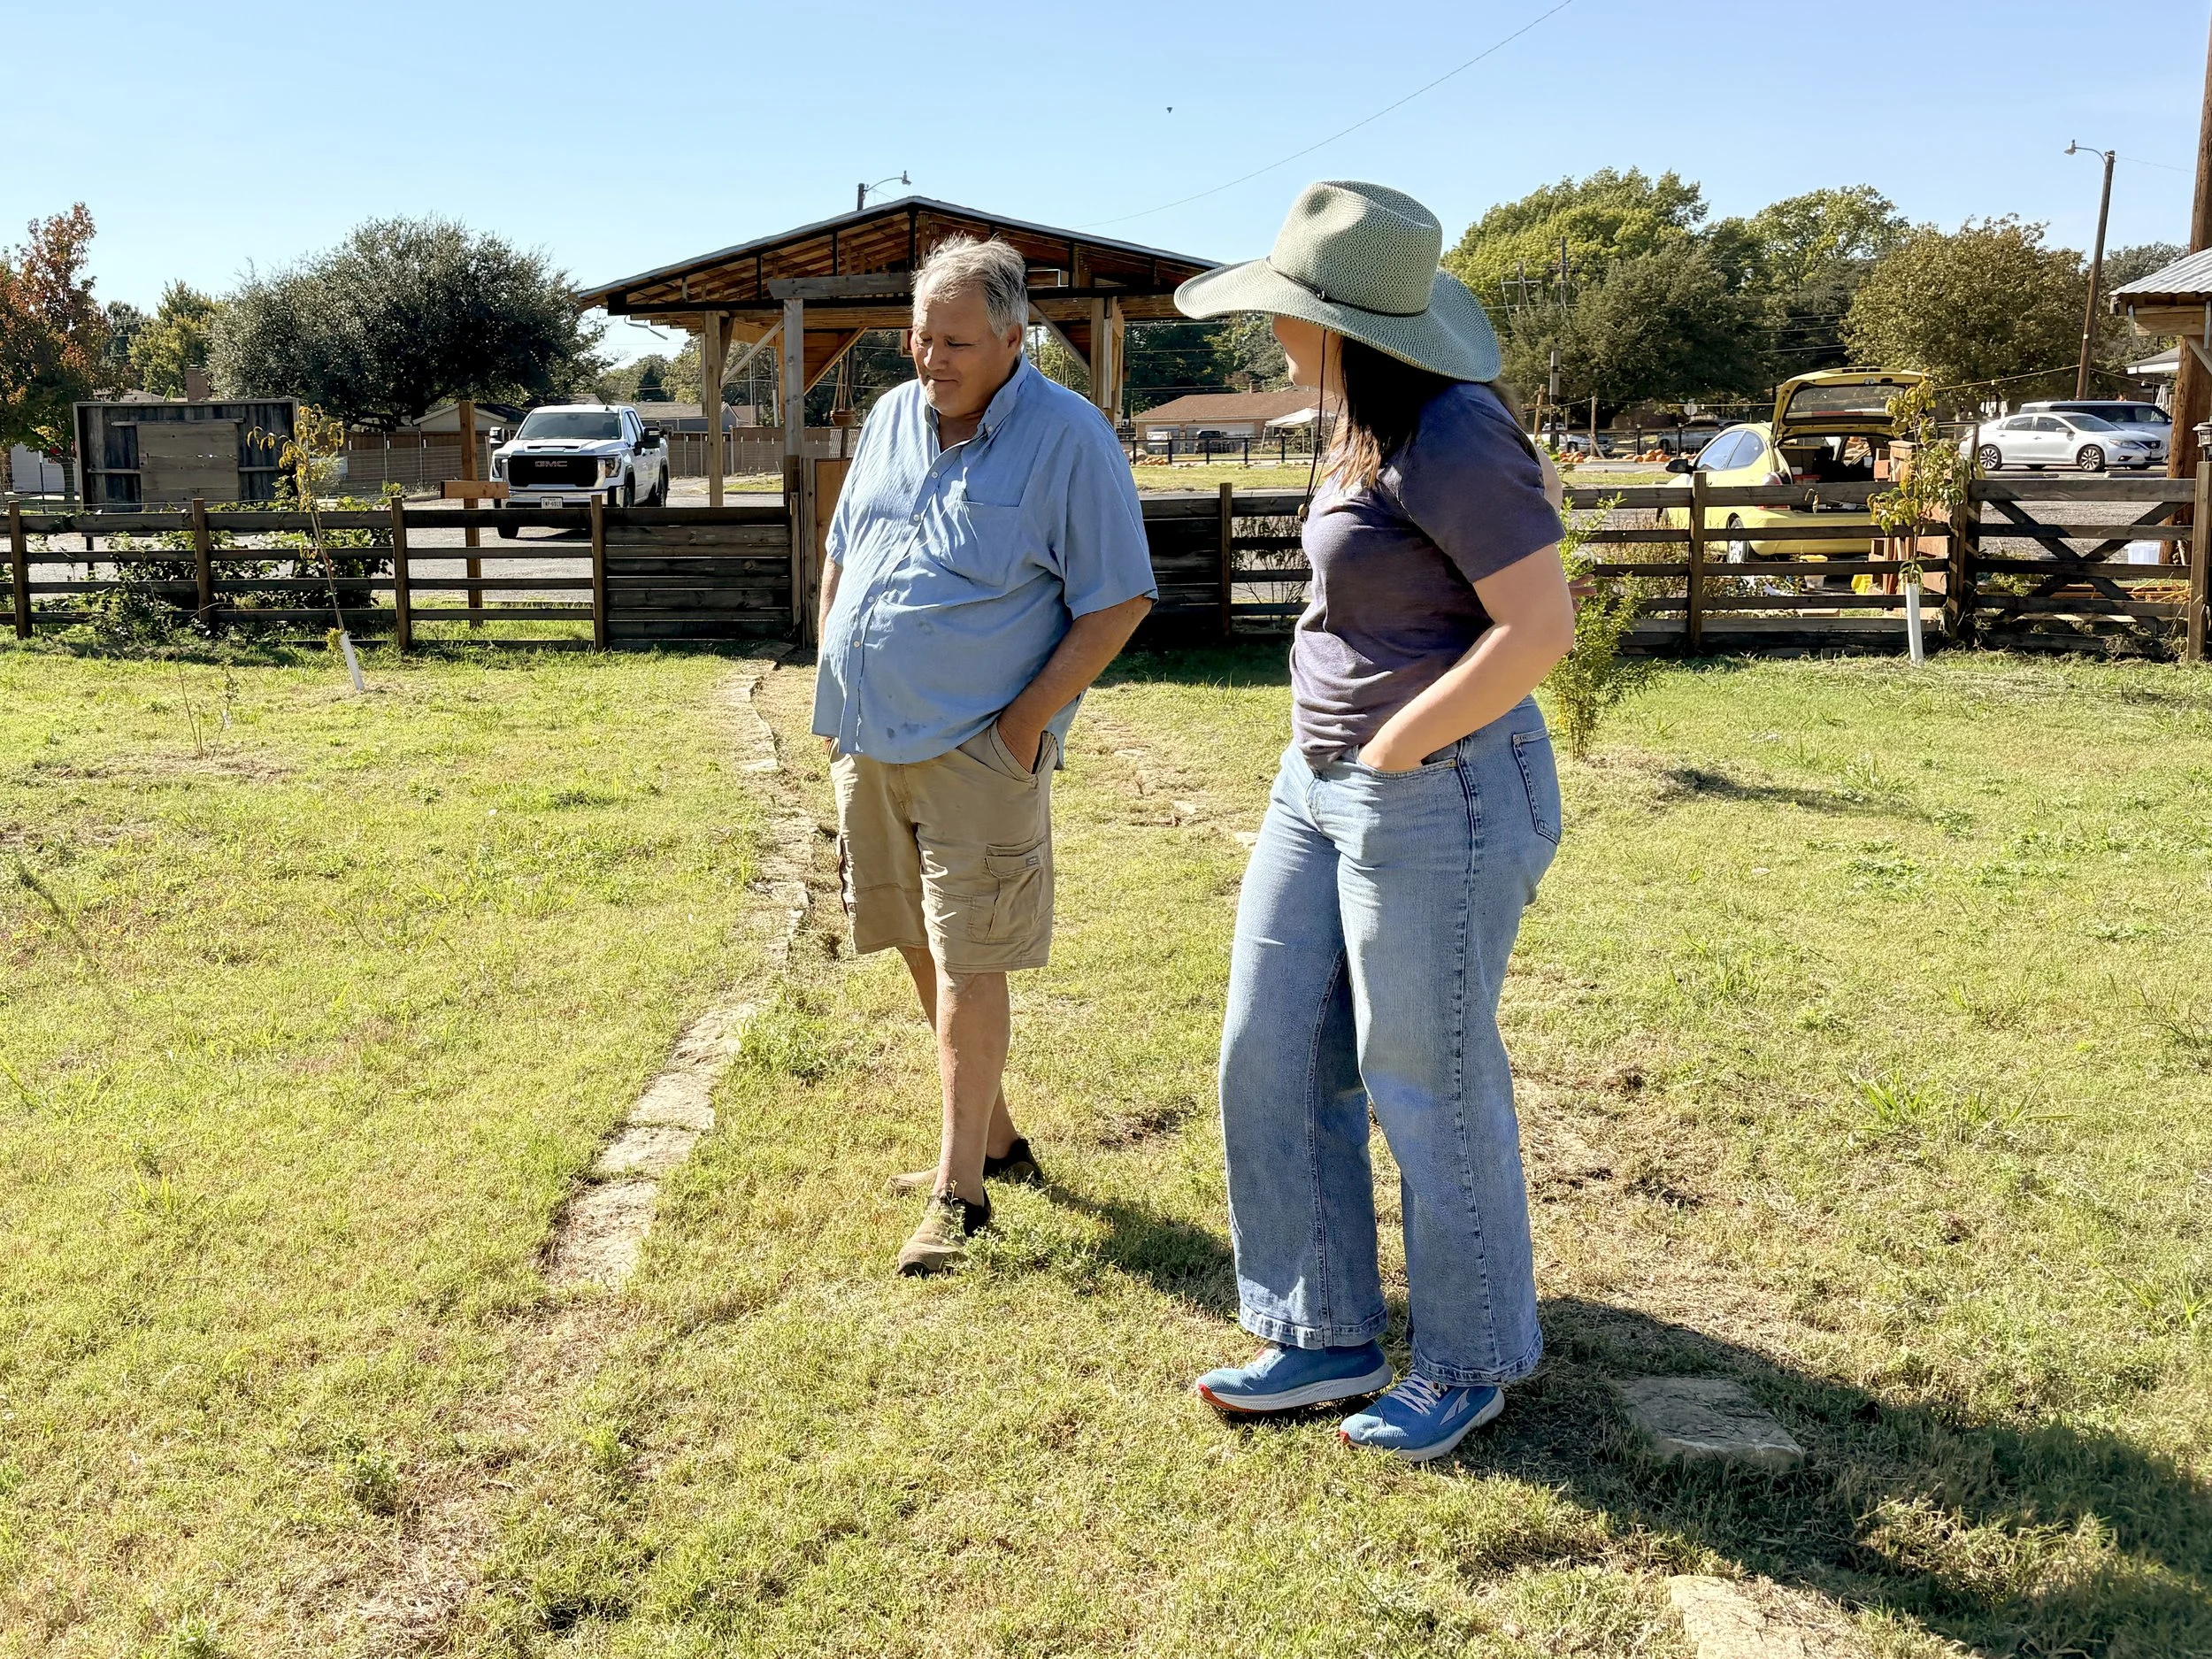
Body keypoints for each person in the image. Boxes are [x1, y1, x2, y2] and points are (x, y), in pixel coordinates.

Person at [1177, 181, 1576, 1463]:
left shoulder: (1454, 431)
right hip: (1323, 780)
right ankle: (1322, 1328)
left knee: (1427, 1074)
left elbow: (1541, 629)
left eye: (1286, 307)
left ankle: (1465, 1360)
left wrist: (1401, 739)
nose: (1271, 328)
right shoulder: (1354, 412)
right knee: (1271, 1042)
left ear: (1337, 319)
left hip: (1435, 787)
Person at [813, 235, 1157, 1276]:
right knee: (914, 937)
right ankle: (994, 1137)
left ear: (1015, 337)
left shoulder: (1068, 438)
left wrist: (1021, 729)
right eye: (921, 336)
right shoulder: (885, 418)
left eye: (957, 341)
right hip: (869, 739)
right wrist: (833, 666)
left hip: (977, 751)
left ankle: (956, 1192)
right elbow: (843, 550)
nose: (933, 358)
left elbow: (1119, 601)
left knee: (971, 958)